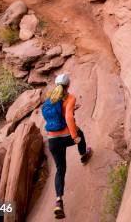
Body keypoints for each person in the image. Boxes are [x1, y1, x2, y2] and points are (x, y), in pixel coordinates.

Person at [42, 73, 92, 219]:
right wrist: (74, 137)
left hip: (53, 140)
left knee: (60, 169)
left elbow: (58, 113)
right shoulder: (70, 98)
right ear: (68, 85)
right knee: (81, 135)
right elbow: (68, 117)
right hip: (66, 136)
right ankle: (83, 156)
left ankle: (58, 201)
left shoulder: (51, 98)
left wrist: (70, 110)